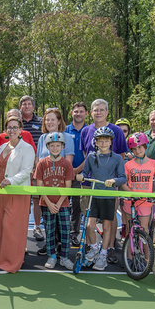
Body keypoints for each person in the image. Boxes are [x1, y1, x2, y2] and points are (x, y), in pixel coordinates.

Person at [80, 99, 128, 264]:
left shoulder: (116, 156)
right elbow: (86, 170)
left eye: (106, 140)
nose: (103, 143)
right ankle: (94, 248)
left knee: (108, 225)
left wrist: (113, 181)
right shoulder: (91, 153)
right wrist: (82, 176)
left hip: (108, 194)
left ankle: (105, 252)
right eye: (100, 140)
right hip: (93, 193)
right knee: (89, 225)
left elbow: (122, 175)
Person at [0, 115, 35, 274]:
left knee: (12, 228)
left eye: (15, 127)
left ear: (20, 129)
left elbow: (26, 172)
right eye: (9, 127)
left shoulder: (27, 148)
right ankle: (4, 258)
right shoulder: (2, 146)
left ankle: (10, 264)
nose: (12, 130)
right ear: (5, 130)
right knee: (2, 228)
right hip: (1, 192)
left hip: (17, 192)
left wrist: (10, 181)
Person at [35, 107, 75, 256]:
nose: (50, 122)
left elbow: (68, 163)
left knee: (61, 221)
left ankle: (61, 248)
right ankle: (50, 246)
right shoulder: (42, 138)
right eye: (47, 119)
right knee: (49, 222)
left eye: (53, 119)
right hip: (46, 187)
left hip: (61, 187)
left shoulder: (68, 138)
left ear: (59, 121)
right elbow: (38, 159)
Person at [120, 133, 155, 234]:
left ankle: (147, 250)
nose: (137, 151)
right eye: (134, 149)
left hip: (145, 201)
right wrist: (131, 193)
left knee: (144, 229)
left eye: (140, 147)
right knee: (130, 230)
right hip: (130, 201)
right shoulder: (128, 164)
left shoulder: (154, 163)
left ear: (145, 147)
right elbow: (123, 182)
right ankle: (128, 250)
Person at [19, 95, 44, 241]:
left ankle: (36, 227)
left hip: (36, 166)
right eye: (24, 104)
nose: (27, 106)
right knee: (22, 198)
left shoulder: (41, 122)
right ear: (20, 107)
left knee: (36, 198)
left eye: (29, 104)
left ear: (33, 107)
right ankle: (21, 225)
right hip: (20, 167)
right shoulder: (16, 122)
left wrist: (37, 165)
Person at [65, 102, 88, 248]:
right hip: (63, 175)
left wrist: (77, 171)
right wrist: (68, 171)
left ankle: (73, 234)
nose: (78, 114)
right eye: (76, 111)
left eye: (81, 111)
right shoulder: (65, 130)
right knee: (62, 204)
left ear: (86, 114)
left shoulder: (90, 130)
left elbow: (90, 155)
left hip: (82, 175)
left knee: (77, 207)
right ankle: (61, 233)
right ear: (72, 113)